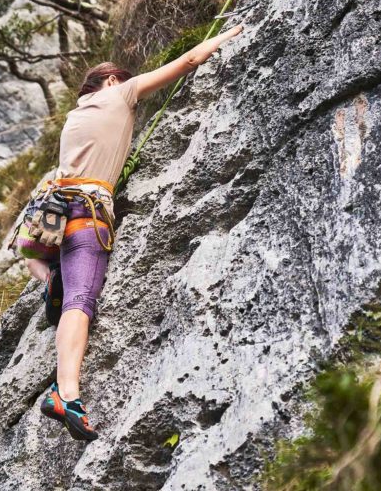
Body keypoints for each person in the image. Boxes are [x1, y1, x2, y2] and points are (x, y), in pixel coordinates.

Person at [18, 24, 244, 441]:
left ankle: (48, 276)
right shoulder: (118, 92)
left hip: (55, 210)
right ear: (110, 80)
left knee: (33, 253)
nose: (131, 93)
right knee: (80, 301)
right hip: (88, 212)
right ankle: (65, 392)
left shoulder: (75, 116)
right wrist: (227, 35)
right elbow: (188, 61)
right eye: (123, 80)